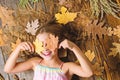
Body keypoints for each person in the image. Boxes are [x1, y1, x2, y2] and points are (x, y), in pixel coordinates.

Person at [4, 23, 93, 80]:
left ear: (58, 43)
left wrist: (73, 47)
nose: (45, 48)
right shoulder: (35, 63)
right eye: (41, 44)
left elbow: (88, 72)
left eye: (49, 43)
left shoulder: (66, 67)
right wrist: (18, 48)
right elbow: (8, 69)